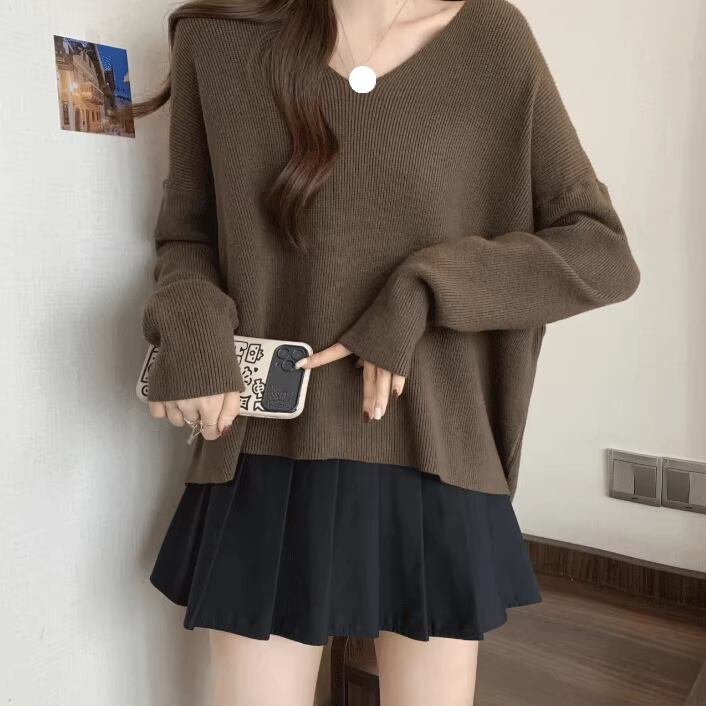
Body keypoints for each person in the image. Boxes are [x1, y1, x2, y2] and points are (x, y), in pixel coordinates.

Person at [131, 0, 640, 704]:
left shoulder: (490, 38)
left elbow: (600, 251)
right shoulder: (218, 37)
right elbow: (187, 236)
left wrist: (424, 289)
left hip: (437, 451)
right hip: (270, 451)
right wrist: (191, 325)